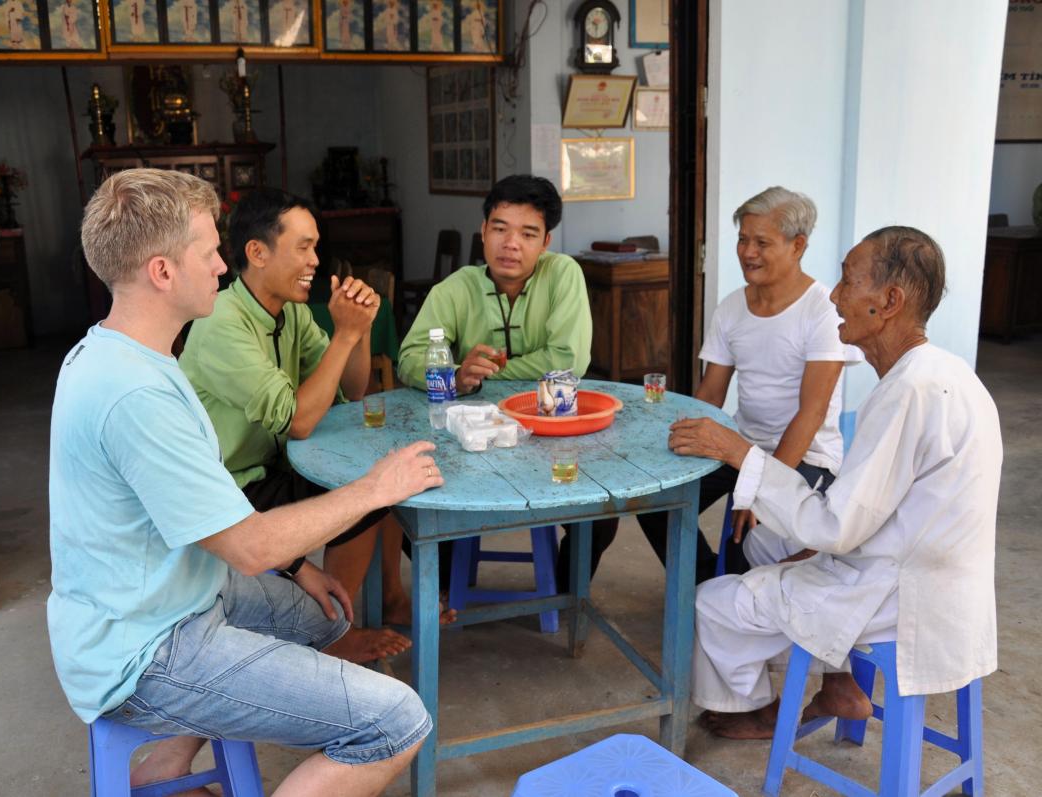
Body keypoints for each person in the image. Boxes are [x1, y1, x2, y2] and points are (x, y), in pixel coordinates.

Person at [48, 168, 442, 795]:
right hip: (146, 649)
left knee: (328, 618)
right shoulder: (134, 393)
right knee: (397, 721)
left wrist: (298, 566)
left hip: (176, 594)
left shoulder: (131, 353)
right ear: (162, 271)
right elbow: (251, 547)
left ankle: (164, 766)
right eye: (209, 253)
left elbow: (212, 521)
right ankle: (179, 734)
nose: (221, 267)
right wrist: (375, 488)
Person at [669, 226, 1002, 739]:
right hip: (934, 574)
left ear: (889, 302)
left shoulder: (908, 392)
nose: (834, 295)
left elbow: (836, 528)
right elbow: (878, 508)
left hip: (903, 594)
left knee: (712, 601)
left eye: (848, 281)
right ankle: (838, 682)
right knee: (761, 542)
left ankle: (754, 709)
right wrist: (815, 544)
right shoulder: (944, 372)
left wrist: (738, 452)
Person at [179, 188, 446, 655]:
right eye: (303, 247)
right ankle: (330, 634)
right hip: (229, 487)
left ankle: (382, 601)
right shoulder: (223, 322)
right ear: (257, 252)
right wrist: (343, 336)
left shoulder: (292, 314)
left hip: (275, 466)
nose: (315, 261)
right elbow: (300, 422)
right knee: (364, 494)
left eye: (316, 247)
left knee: (386, 475)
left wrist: (359, 328)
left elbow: (353, 388)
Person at [397, 174, 613, 592]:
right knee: (410, 504)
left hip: (552, 434)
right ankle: (449, 593)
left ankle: (562, 598)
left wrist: (487, 371)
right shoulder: (456, 288)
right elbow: (409, 358)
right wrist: (455, 375)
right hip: (471, 441)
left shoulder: (562, 274)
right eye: (500, 229)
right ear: (483, 232)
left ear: (545, 241)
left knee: (602, 515)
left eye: (527, 234)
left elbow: (569, 360)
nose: (511, 244)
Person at [639, 186, 858, 584]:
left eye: (762, 242)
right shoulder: (731, 307)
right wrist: (679, 444)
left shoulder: (823, 311)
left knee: (746, 544)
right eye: (743, 240)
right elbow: (710, 394)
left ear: (797, 246)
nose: (748, 252)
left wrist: (764, 486)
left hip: (806, 456)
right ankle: (707, 585)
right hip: (738, 446)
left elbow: (811, 413)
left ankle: (726, 590)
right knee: (654, 501)